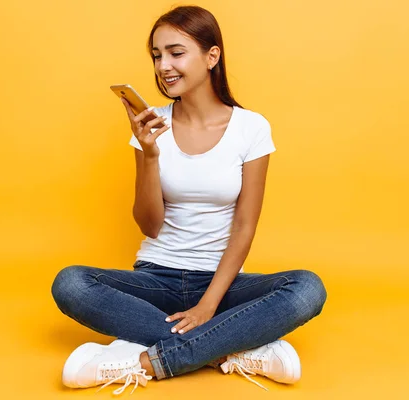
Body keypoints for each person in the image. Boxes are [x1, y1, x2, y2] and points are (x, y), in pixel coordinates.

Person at [51, 5, 327, 395]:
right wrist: (150, 153)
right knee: (72, 284)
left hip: (224, 285)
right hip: (156, 280)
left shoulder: (251, 127)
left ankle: (147, 361)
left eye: (176, 53)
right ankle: (229, 350)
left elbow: (246, 225)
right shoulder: (151, 128)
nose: (164, 65)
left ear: (212, 56)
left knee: (308, 288)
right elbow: (149, 225)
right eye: (157, 55)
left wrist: (207, 307)